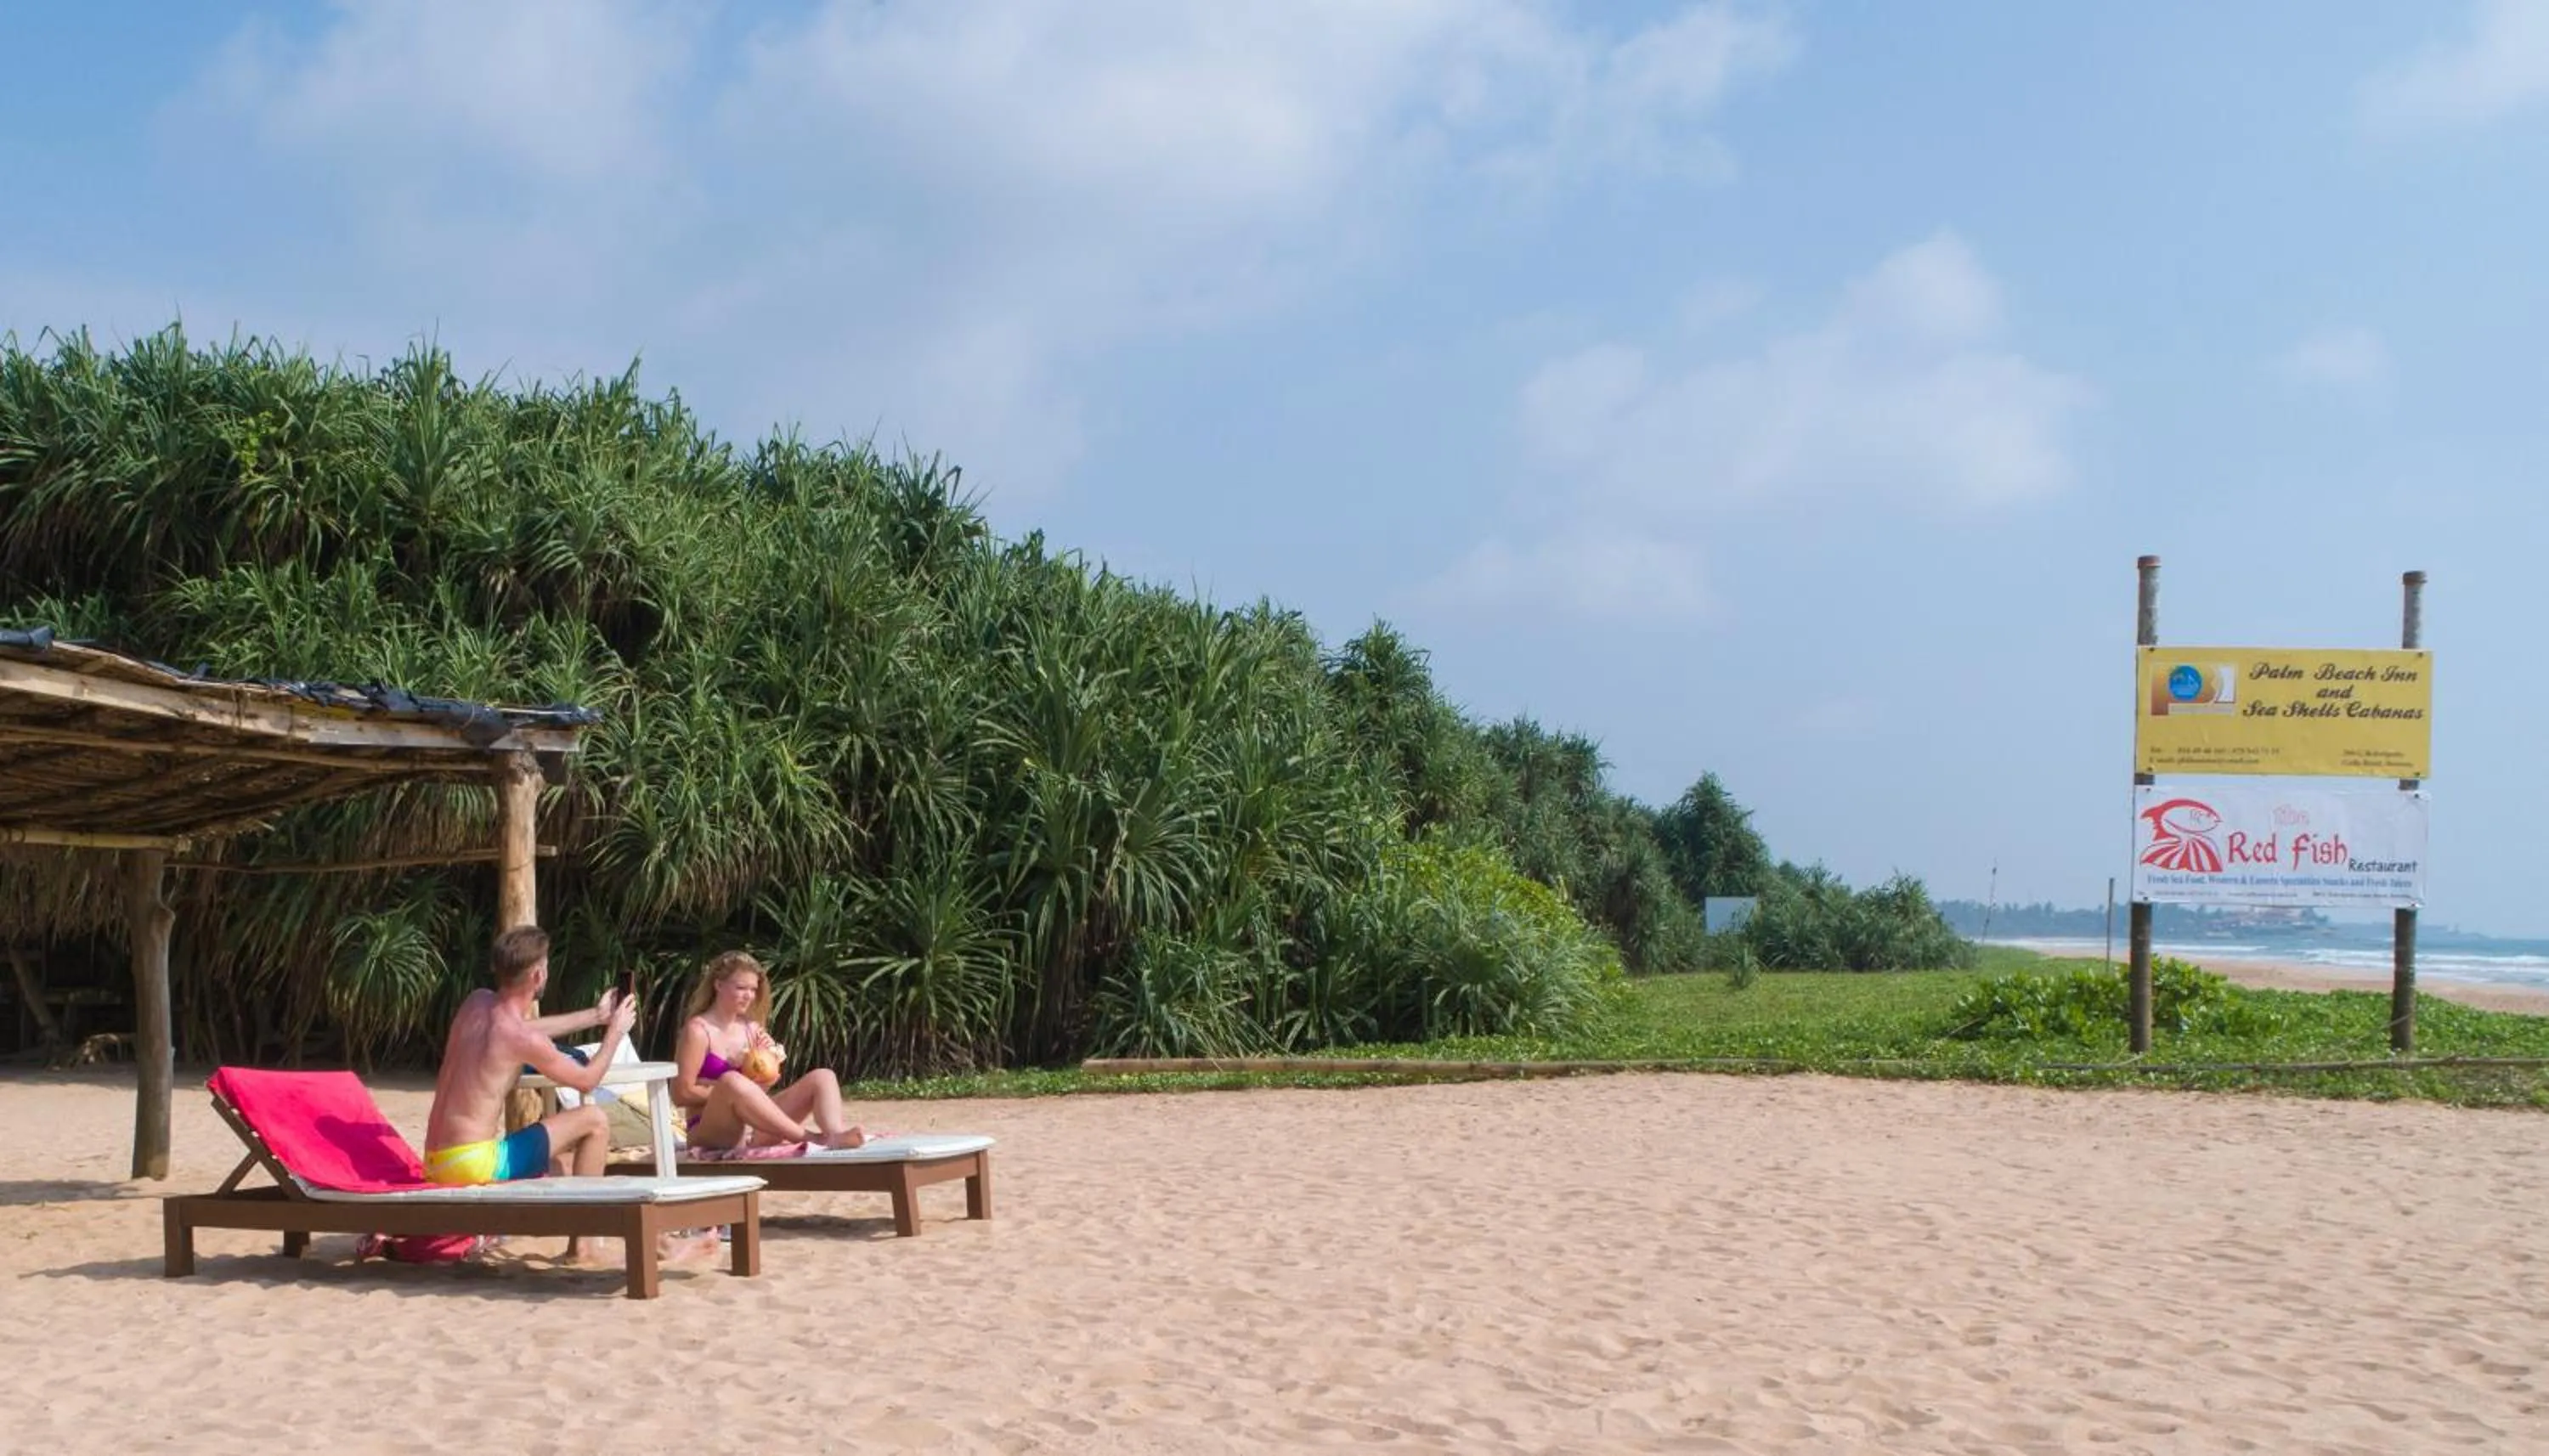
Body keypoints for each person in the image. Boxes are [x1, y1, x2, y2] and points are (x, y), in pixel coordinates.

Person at [422, 924, 630, 1187]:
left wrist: (596, 1016)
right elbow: (587, 1080)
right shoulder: (520, 1038)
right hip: (473, 1165)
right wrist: (615, 1032)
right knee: (595, 1120)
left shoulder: (475, 1004)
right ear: (538, 975)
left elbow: (519, 1032)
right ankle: (587, 1227)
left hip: (435, 1161)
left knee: (563, 1164)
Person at [672, 950, 870, 1153]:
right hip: (709, 1131)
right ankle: (813, 1139)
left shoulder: (752, 1028)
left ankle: (833, 1133)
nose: (749, 996)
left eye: (753, 989)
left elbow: (756, 1092)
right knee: (732, 1081)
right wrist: (726, 1089)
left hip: (752, 1129)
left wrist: (766, 1070)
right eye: (741, 988)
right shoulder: (698, 1031)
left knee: (823, 1077)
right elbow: (680, 1094)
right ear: (718, 985)